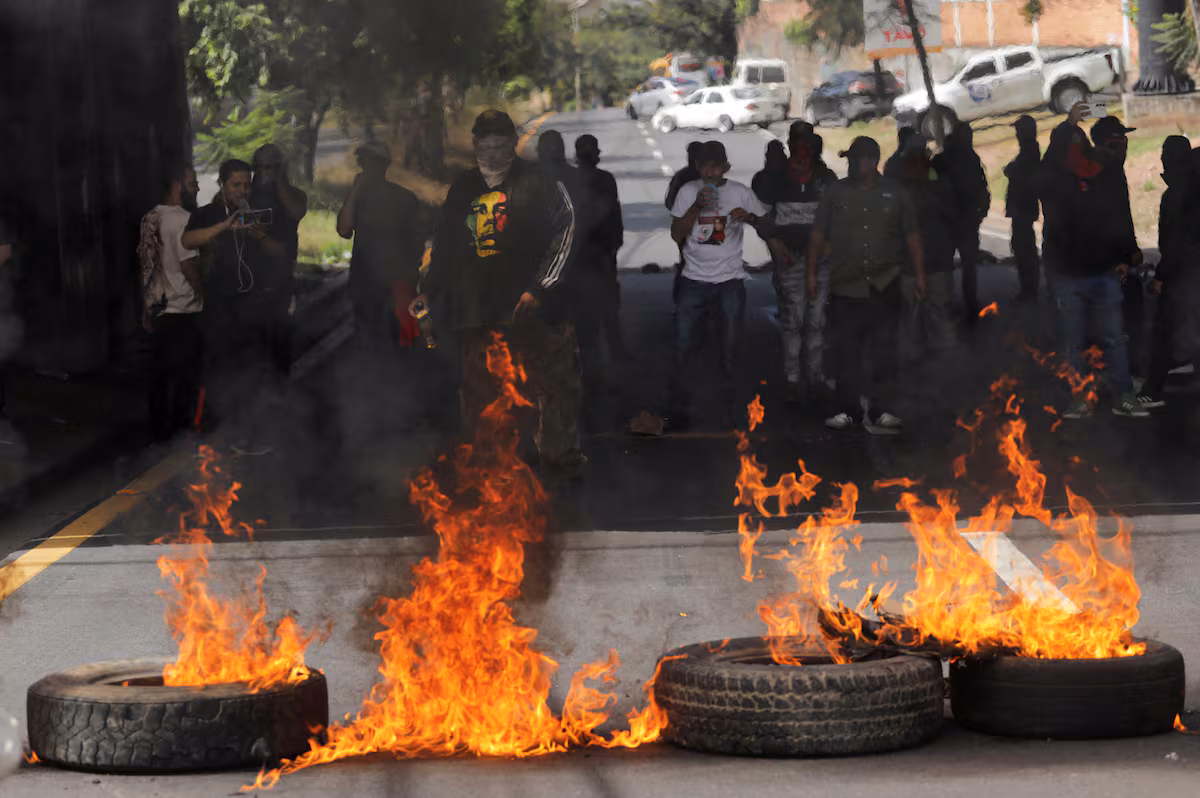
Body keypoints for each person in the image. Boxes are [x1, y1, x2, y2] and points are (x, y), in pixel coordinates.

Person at [411, 110, 583, 478]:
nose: (492, 150)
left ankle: (558, 459)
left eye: (500, 142)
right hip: (476, 310)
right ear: (476, 144)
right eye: (485, 143)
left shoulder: (539, 182)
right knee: (480, 390)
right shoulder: (463, 188)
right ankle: (491, 462)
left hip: (532, 310)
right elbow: (445, 246)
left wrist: (542, 287)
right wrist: (429, 290)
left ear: (513, 143)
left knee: (550, 385)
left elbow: (566, 227)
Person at [807, 136, 926, 434]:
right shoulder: (835, 193)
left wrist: (920, 275)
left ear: (872, 161)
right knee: (846, 350)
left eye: (856, 159)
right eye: (849, 159)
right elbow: (818, 233)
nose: (851, 164)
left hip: (885, 284)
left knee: (884, 350)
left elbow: (912, 235)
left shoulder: (895, 193)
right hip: (845, 286)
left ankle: (881, 409)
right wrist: (811, 271)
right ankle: (848, 410)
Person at [1038, 106, 1147, 418]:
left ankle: (1120, 395)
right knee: (1077, 342)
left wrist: (1125, 256)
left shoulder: (1106, 173)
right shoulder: (1056, 178)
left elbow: (1120, 215)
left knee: (1109, 339)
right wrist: (1068, 124)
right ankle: (1085, 398)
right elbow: (1048, 163)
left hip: (1100, 272)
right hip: (1068, 274)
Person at [183, 158, 293, 441]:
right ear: (222, 184)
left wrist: (261, 236)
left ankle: (247, 426)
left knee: (252, 366)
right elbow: (187, 241)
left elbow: (280, 252)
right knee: (217, 366)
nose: (242, 190)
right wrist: (223, 227)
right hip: (219, 306)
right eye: (236, 184)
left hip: (252, 305)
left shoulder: (258, 212)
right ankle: (211, 431)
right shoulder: (208, 214)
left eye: (246, 184)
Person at [668, 140, 773, 429]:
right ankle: (680, 409)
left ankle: (731, 410)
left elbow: (768, 228)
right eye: (705, 166)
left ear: (726, 167)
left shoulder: (740, 192)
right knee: (684, 346)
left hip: (730, 282)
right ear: (697, 167)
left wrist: (750, 218)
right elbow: (676, 234)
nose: (710, 172)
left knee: (730, 347)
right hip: (693, 281)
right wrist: (696, 207)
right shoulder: (687, 192)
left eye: (716, 166)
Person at [754, 126, 838, 404]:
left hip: (821, 260)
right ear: (790, 145)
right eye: (797, 144)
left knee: (817, 322)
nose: (802, 151)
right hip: (790, 260)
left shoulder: (826, 179)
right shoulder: (774, 180)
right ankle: (792, 380)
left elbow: (839, 216)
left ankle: (815, 378)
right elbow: (759, 216)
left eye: (807, 145)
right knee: (793, 322)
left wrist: (830, 245)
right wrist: (775, 245)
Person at [138, 163, 203, 442]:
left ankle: (157, 431)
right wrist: (204, 294)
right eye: (192, 182)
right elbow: (188, 266)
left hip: (159, 309)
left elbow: (147, 266)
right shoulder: (185, 219)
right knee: (186, 373)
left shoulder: (149, 218)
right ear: (177, 184)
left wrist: (146, 305)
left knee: (161, 373)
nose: (196, 187)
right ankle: (180, 431)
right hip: (184, 308)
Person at [336, 141, 425, 346]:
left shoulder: (404, 198)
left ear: (383, 165)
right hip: (364, 279)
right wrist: (354, 192)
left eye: (370, 162)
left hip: (396, 278)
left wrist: (410, 275)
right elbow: (344, 230)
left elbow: (417, 240)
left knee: (401, 336)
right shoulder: (357, 199)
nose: (365, 168)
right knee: (367, 336)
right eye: (362, 162)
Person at [1140, 136, 1199, 408]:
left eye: (1164, 155)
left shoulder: (1175, 194)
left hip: (1185, 274)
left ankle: (1152, 393)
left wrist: (1161, 277)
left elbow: (1174, 244)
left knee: (1163, 332)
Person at [894, 134, 957, 360]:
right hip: (933, 261)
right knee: (935, 315)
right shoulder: (940, 184)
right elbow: (952, 217)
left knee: (913, 317)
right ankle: (942, 362)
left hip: (915, 264)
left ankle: (920, 363)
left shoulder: (901, 189)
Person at [573, 134, 627, 390]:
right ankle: (611, 353)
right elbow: (613, 213)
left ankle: (592, 361)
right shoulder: (605, 179)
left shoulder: (571, 180)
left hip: (584, 254)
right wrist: (614, 245)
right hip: (599, 253)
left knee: (588, 309)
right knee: (606, 305)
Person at [249, 144, 308, 375]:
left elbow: (296, 211)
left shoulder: (294, 194)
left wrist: (279, 181)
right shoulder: (248, 195)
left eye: (270, 167)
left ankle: (280, 383)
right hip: (249, 275)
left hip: (280, 274)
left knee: (280, 333)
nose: (264, 172)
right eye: (260, 167)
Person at [932, 122, 989, 320]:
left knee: (946, 267)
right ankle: (970, 305)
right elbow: (982, 189)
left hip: (948, 222)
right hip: (965, 221)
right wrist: (980, 213)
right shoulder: (971, 159)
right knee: (968, 267)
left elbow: (931, 186)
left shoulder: (940, 160)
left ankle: (947, 304)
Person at [1005, 115, 1042, 303]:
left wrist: (1011, 169)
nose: (1017, 135)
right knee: (1023, 248)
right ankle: (1028, 288)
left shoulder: (1029, 153)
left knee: (1024, 250)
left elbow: (1018, 174)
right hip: (1023, 207)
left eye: (1019, 131)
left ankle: (1029, 289)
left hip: (1023, 208)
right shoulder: (1028, 153)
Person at [667, 141, 704, 304]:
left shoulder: (682, 176)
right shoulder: (685, 177)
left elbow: (669, 203)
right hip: (691, 227)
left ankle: (683, 301)